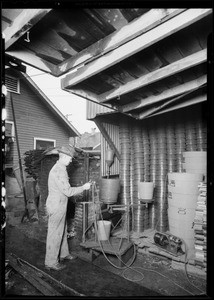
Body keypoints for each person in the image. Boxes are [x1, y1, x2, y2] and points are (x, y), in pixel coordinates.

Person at [45, 145, 91, 271]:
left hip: (60, 204)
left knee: (63, 230)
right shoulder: (59, 171)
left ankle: (64, 254)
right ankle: (51, 262)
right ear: (64, 157)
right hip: (56, 206)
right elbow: (68, 191)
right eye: (70, 158)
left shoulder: (61, 168)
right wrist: (84, 187)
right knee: (55, 234)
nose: (71, 160)